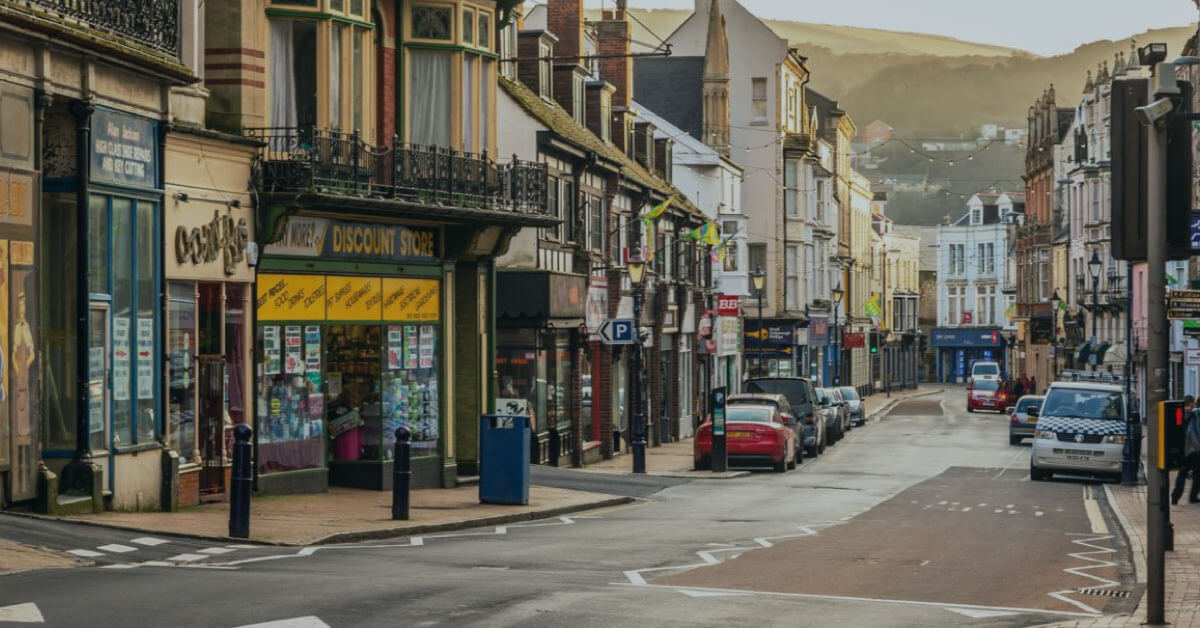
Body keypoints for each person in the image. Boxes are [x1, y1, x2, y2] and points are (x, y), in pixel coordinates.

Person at [1172, 396, 1200, 505]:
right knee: (1197, 474)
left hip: (1185, 449)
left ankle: (1175, 497)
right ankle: (1193, 496)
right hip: (1195, 450)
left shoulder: (1181, 413)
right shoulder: (1196, 413)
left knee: (1182, 474)